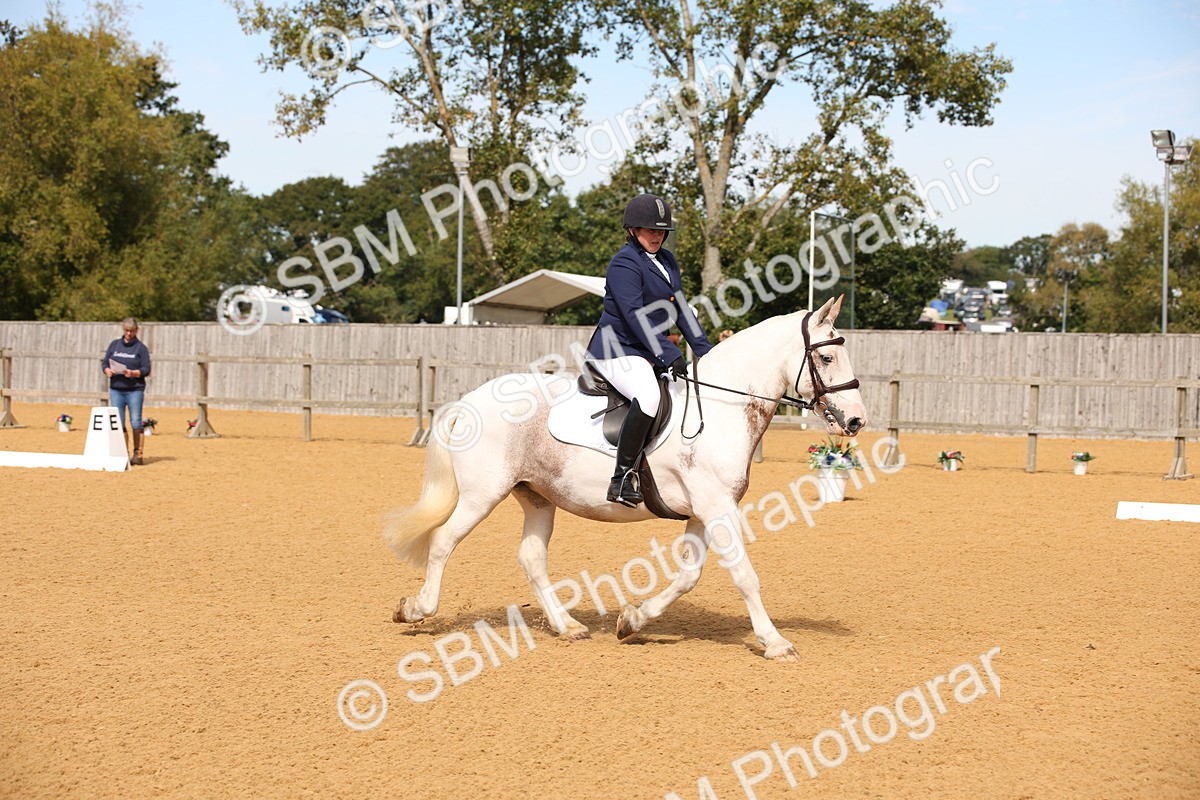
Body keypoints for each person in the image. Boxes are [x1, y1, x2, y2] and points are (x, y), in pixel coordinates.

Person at [587, 194, 713, 507]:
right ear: (631, 230)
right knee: (649, 395)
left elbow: (681, 309)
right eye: (649, 230)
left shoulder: (667, 261)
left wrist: (707, 354)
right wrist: (670, 355)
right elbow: (635, 316)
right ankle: (622, 478)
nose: (657, 235)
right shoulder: (624, 263)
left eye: (662, 231)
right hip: (617, 349)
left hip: (646, 350)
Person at [102, 318, 152, 465]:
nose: (129, 333)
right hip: (116, 389)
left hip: (134, 390)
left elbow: (146, 369)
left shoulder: (140, 348)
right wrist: (107, 370)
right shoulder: (115, 345)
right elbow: (105, 362)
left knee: (136, 421)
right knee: (119, 422)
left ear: (136, 330)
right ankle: (122, 453)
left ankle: (138, 454)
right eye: (126, 330)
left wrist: (133, 373)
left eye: (132, 331)